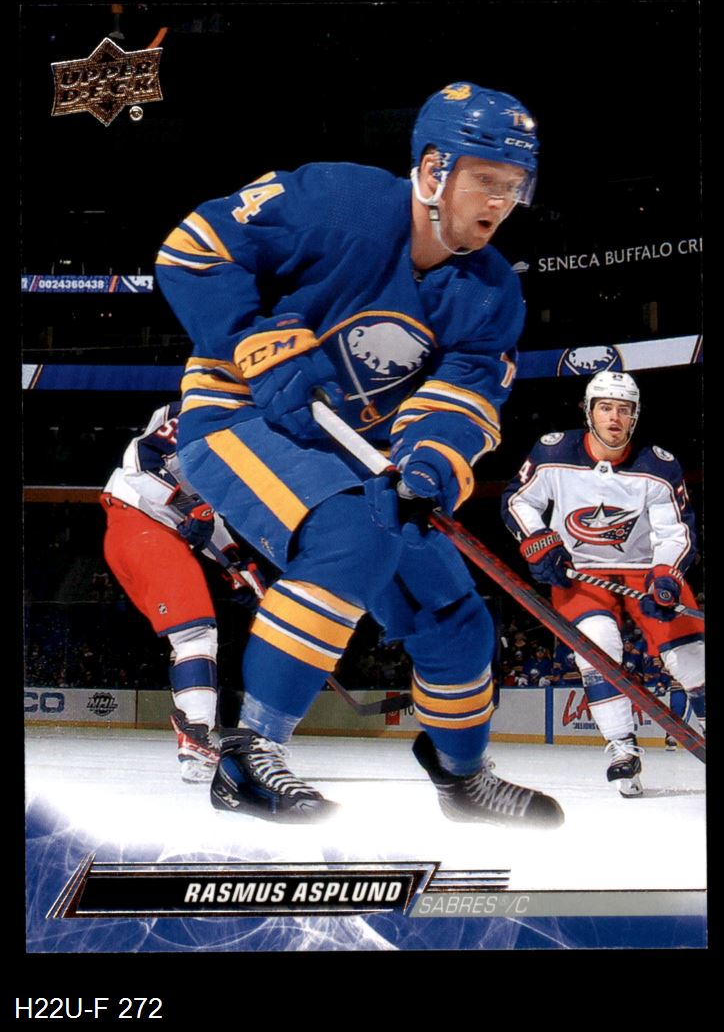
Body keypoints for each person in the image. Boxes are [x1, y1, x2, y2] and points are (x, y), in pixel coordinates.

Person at [155, 81, 563, 828]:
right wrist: (258, 341)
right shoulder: (338, 199)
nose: (500, 202)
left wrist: (430, 464)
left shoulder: (492, 291)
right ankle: (249, 756)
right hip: (238, 415)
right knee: (350, 536)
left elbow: (463, 398)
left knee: (453, 615)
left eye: (514, 186)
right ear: (434, 169)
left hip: (359, 451)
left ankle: (463, 778)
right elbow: (194, 247)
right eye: (487, 179)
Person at [501, 371, 705, 796]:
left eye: (624, 409)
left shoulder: (659, 465)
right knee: (597, 649)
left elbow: (675, 531)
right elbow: (520, 500)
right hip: (581, 573)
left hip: (645, 570)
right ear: (588, 411)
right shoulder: (554, 452)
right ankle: (621, 747)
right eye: (606, 407)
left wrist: (666, 573)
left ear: (636, 416)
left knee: (690, 656)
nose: (615, 417)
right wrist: (538, 540)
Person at [101, 401, 264, 782]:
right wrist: (187, 506)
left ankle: (197, 735)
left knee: (192, 636)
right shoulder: (207, 409)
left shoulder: (243, 439)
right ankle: (195, 734)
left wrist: (237, 566)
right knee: (195, 634)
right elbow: (140, 459)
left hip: (144, 533)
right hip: (142, 527)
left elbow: (210, 519)